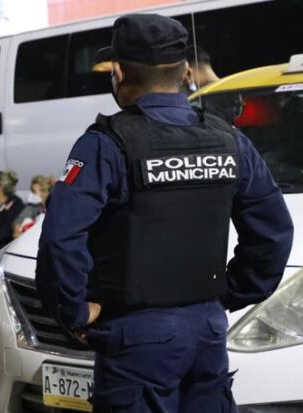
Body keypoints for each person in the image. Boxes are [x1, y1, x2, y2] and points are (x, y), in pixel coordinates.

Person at [35, 14, 294, 412]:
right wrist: (232, 293)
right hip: (207, 330)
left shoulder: (106, 144)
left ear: (118, 72)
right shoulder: (229, 139)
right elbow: (273, 231)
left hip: (135, 335)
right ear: (187, 71)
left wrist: (72, 312)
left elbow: (60, 238)